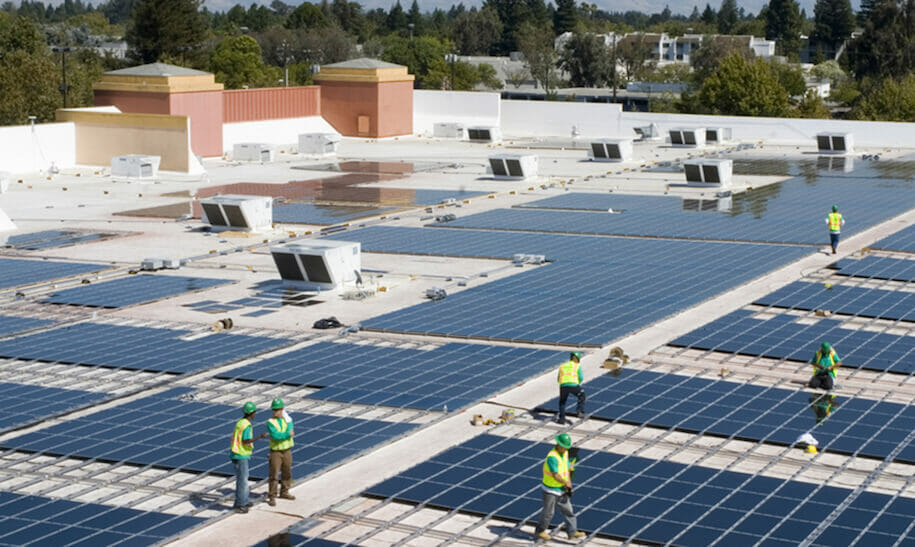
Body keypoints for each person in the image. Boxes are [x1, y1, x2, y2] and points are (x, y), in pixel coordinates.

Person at [535, 433, 586, 542]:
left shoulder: (565, 453)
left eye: (566, 447)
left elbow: (566, 469)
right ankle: (540, 531)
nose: (565, 449)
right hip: (550, 489)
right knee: (548, 512)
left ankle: (572, 532)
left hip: (561, 488)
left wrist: (569, 483)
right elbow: (555, 475)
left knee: (568, 510)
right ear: (558, 444)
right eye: (563, 447)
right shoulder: (552, 457)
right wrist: (565, 482)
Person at [230, 401, 268, 514]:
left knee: (241, 479)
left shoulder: (240, 422)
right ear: (251, 413)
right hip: (241, 455)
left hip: (236, 453)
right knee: (243, 480)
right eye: (255, 412)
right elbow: (245, 441)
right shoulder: (246, 425)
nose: (255, 414)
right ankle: (241, 505)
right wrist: (260, 437)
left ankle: (242, 501)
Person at [266, 397, 295, 506]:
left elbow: (290, 426)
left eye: (278, 409)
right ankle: (272, 496)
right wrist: (287, 435)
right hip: (276, 452)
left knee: (287, 472)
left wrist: (285, 434)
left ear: (282, 409)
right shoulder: (270, 422)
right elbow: (275, 435)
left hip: (287, 450)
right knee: (274, 474)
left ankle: (284, 491)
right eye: (274, 409)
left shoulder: (286, 419)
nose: (276, 411)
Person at [557, 351, 585, 424]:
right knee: (582, 395)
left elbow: (558, 379)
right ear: (577, 359)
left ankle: (562, 419)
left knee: (562, 402)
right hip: (573, 385)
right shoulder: (577, 366)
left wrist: (563, 383)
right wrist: (576, 383)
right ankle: (579, 411)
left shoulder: (562, 366)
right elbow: (581, 377)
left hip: (563, 386)